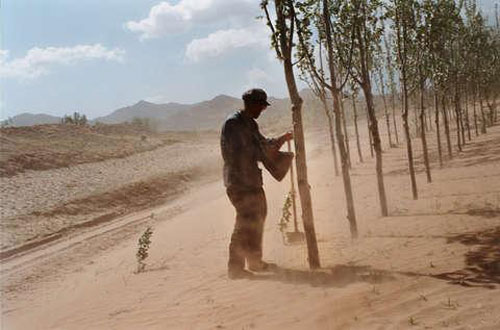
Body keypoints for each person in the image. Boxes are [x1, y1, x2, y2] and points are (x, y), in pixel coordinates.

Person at [220, 88, 293, 279]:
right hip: (239, 183)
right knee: (244, 222)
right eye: (260, 106)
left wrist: (281, 140)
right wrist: (269, 152)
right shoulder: (233, 124)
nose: (262, 110)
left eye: (263, 107)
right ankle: (235, 269)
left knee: (258, 216)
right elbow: (246, 152)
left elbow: (262, 144)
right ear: (250, 104)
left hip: (251, 181)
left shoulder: (250, 124)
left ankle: (254, 261)